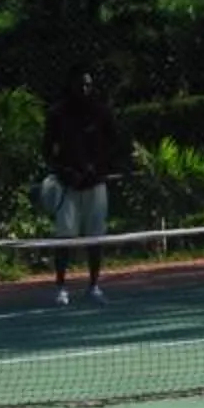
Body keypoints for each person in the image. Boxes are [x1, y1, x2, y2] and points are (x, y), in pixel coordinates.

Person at [40, 67, 127, 304]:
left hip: (95, 184)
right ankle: (60, 288)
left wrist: (96, 170)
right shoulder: (58, 114)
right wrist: (66, 172)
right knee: (64, 236)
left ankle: (94, 286)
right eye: (80, 85)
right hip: (67, 185)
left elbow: (114, 145)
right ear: (71, 86)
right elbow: (47, 150)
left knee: (95, 237)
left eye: (88, 85)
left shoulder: (101, 112)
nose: (84, 89)